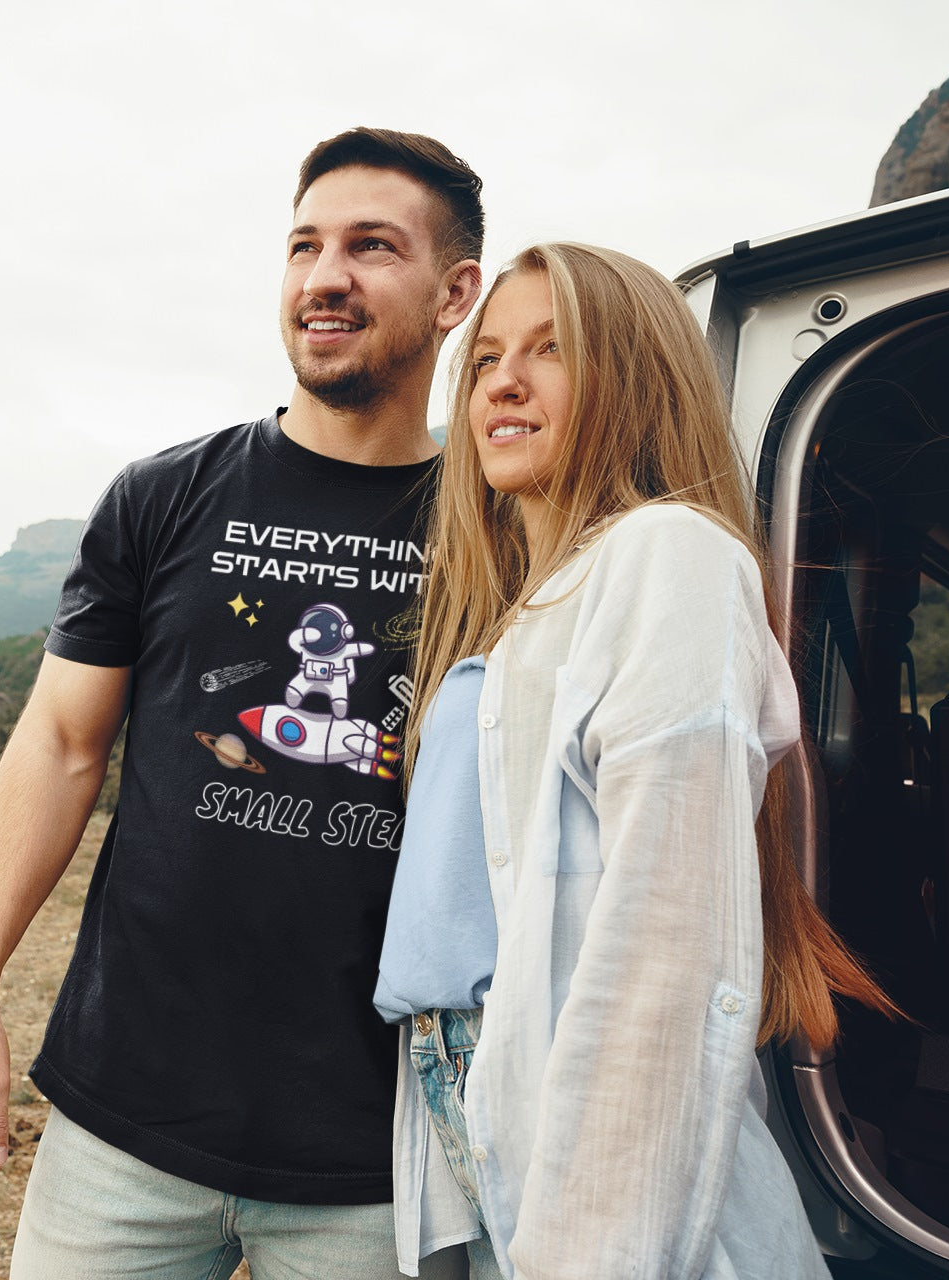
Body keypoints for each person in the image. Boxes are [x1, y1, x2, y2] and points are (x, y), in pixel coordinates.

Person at [0, 127, 486, 1279]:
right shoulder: (164, 495)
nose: (324, 276)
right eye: (303, 245)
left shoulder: (498, 531)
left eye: (372, 247)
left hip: (381, 1153)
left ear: (453, 291)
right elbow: (63, 744)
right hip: (122, 1123)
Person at [373, 243, 902, 1279]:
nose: (502, 382)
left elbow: (664, 948)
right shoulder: (521, 609)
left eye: (549, 350)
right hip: (462, 1083)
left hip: (588, 1111)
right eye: (483, 359)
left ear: (633, 380)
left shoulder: (666, 553)